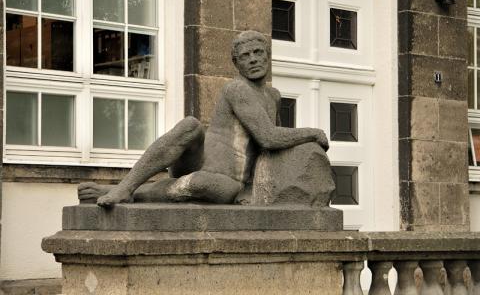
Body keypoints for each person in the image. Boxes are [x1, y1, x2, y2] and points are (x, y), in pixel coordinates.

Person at [78, 30, 329, 207]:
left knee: (203, 184)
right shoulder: (236, 89)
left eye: (257, 52)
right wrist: (313, 132)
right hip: (198, 159)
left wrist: (252, 188)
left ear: (267, 56)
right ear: (236, 64)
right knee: (191, 125)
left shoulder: (273, 96)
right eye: (245, 56)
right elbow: (269, 137)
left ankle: (120, 191)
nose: (252, 59)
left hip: (225, 180)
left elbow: (267, 149)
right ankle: (125, 187)